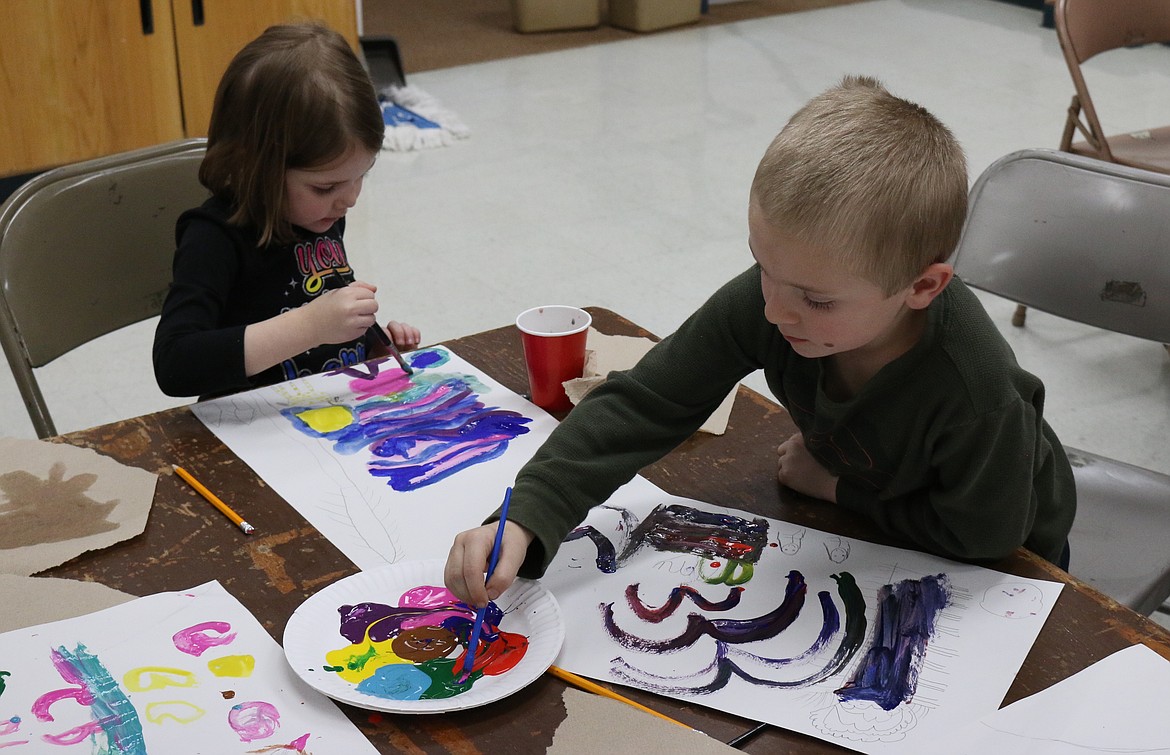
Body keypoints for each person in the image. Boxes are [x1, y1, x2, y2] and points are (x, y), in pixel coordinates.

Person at [445, 75, 1076, 607]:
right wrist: (530, 510)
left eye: (816, 299)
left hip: (1004, 563)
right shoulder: (778, 298)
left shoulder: (978, 392)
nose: (775, 309)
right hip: (868, 521)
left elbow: (987, 535)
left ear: (923, 286)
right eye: (761, 268)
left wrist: (838, 489)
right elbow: (645, 403)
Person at [153, 22, 419, 399]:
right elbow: (175, 365)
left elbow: (319, 322)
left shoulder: (317, 212)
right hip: (250, 433)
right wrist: (310, 326)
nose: (349, 200)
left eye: (362, 175)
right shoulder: (213, 237)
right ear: (255, 166)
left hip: (324, 415)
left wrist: (372, 346)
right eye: (325, 186)